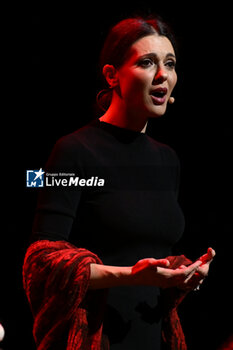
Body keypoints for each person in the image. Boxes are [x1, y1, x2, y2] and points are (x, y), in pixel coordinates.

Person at [23, 15, 215, 350]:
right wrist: (129, 275)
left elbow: (148, 250)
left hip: (154, 337)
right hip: (97, 338)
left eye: (170, 64)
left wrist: (180, 271)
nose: (162, 75)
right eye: (146, 63)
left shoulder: (167, 159)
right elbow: (40, 261)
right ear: (112, 75)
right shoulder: (73, 151)